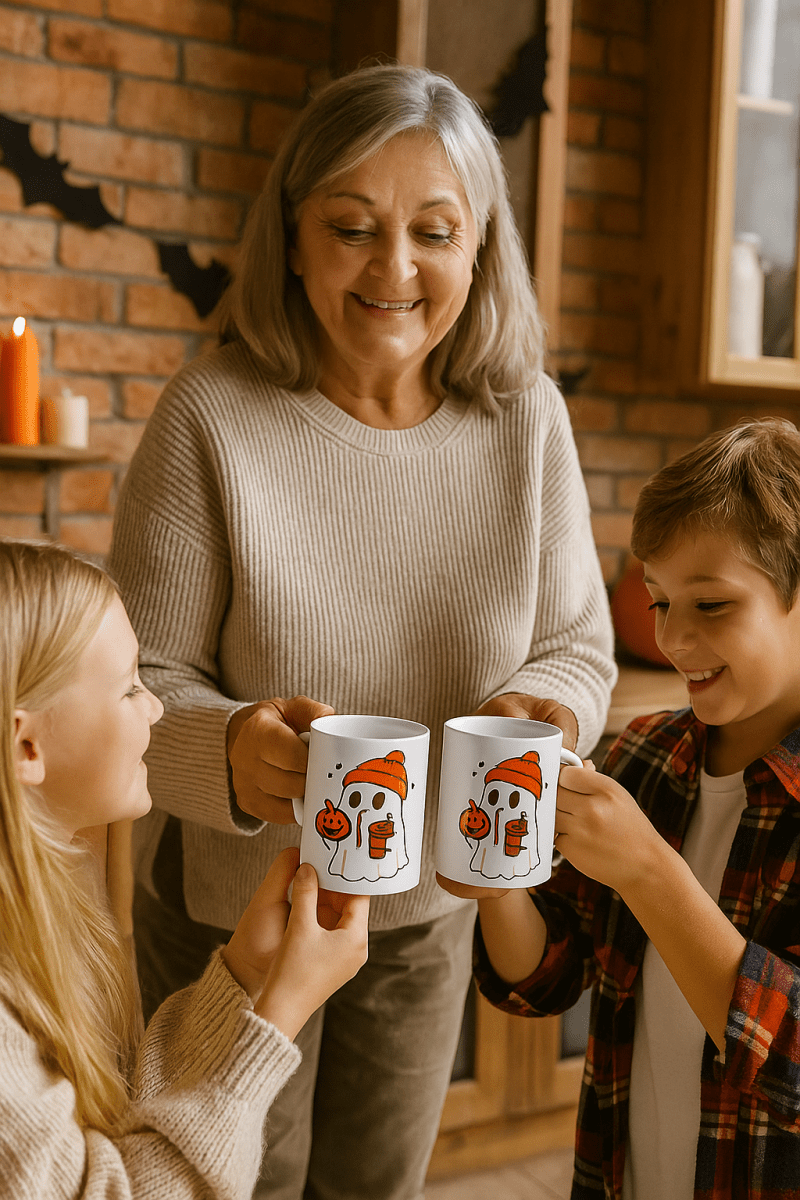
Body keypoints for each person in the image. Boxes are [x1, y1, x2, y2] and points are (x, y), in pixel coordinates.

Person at [107, 63, 615, 1200]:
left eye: (433, 231)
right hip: (231, 920)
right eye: (350, 227)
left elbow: (578, 643)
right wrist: (233, 748)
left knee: (376, 1186)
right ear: (291, 240)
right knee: (225, 1184)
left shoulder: (524, 420)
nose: (394, 269)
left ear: (478, 249)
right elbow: (135, 683)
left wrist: (546, 710)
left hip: (427, 907)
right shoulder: (212, 414)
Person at [473, 417, 800, 1199]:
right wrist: (496, 871)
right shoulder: (646, 756)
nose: (674, 637)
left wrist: (652, 872)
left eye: (712, 605)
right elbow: (545, 978)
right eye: (658, 600)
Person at [0, 538, 369, 1200]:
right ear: (27, 744)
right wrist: (278, 1015)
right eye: (130, 686)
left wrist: (244, 979)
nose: (158, 708)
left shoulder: (47, 901)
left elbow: (111, 1130)